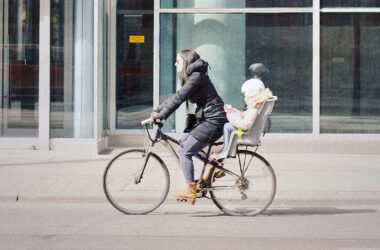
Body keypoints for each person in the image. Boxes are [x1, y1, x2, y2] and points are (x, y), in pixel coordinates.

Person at [152, 49, 227, 205]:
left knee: (185, 151)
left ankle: (190, 191)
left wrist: (162, 116)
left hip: (214, 120)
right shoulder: (194, 76)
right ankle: (214, 166)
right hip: (210, 118)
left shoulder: (197, 77)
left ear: (186, 61)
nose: (175, 64)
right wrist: (158, 109)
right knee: (184, 140)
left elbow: (179, 98)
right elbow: (177, 95)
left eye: (178, 61)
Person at [212, 63, 272, 160]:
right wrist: (234, 111)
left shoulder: (253, 109)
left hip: (245, 133)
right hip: (247, 131)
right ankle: (226, 150)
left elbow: (245, 124)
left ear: (252, 96)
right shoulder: (253, 107)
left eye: (245, 96)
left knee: (227, 126)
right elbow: (244, 115)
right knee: (227, 126)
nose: (244, 99)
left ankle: (227, 150)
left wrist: (230, 115)